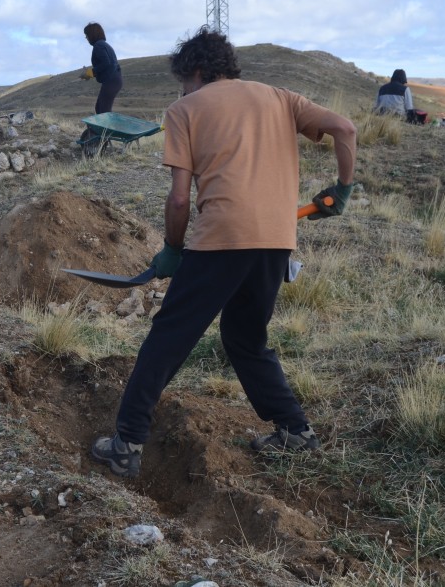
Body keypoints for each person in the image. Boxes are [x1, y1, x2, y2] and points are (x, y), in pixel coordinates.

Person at [91, 26, 356, 478]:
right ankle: (295, 430)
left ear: (195, 71)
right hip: (276, 241)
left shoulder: (185, 110)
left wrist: (172, 249)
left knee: (168, 338)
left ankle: (127, 442)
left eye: (183, 82)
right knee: (245, 339)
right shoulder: (281, 98)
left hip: (221, 238)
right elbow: (344, 128)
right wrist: (344, 188)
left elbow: (178, 199)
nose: (182, 90)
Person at [80, 22, 124, 114]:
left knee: (103, 111)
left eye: (87, 35)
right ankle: (103, 128)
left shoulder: (98, 46)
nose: (86, 38)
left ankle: (107, 128)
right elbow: (107, 65)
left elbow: (106, 63)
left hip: (111, 81)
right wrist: (91, 74)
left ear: (92, 34)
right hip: (114, 80)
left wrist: (90, 72)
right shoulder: (103, 45)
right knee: (100, 108)